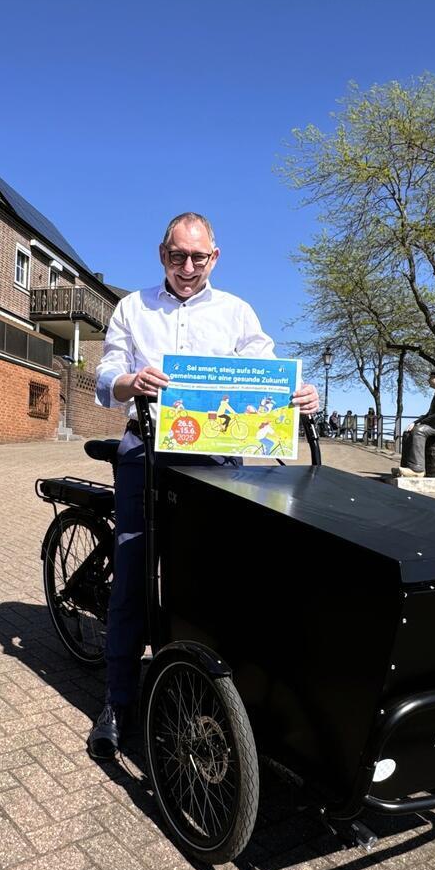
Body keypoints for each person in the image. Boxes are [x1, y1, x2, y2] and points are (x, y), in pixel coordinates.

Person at [88, 211, 320, 759]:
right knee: (133, 573)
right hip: (146, 449)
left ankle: (206, 693)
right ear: (161, 254)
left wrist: (301, 395)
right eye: (177, 256)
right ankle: (118, 702)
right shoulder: (132, 307)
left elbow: (268, 374)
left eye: (198, 257)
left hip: (215, 458)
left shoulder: (236, 312)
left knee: (213, 576)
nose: (187, 267)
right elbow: (104, 377)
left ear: (214, 257)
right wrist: (129, 381)